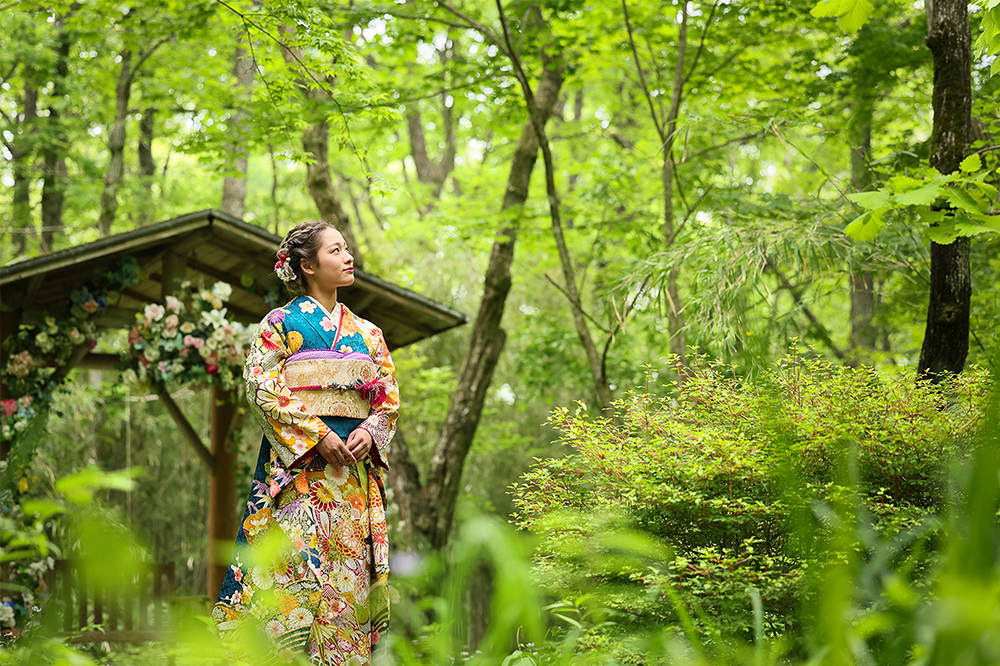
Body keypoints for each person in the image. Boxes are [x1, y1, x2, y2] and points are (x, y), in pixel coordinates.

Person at [212, 221, 397, 665]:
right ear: (308, 265)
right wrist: (318, 435)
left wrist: (370, 430)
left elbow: (388, 398)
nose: (348, 256)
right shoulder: (280, 324)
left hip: (350, 477)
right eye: (336, 250)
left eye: (347, 248)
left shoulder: (369, 333)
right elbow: (261, 385)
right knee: (290, 575)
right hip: (299, 475)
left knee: (346, 582)